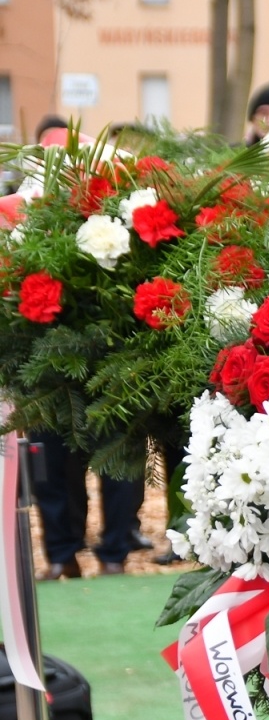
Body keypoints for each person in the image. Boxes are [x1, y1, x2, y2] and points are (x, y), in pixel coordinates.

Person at [24, 115, 147, 581]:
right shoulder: (27, 209)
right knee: (53, 463)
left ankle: (114, 551)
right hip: (47, 355)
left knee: (118, 456)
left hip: (109, 349)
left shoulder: (114, 200)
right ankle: (62, 553)